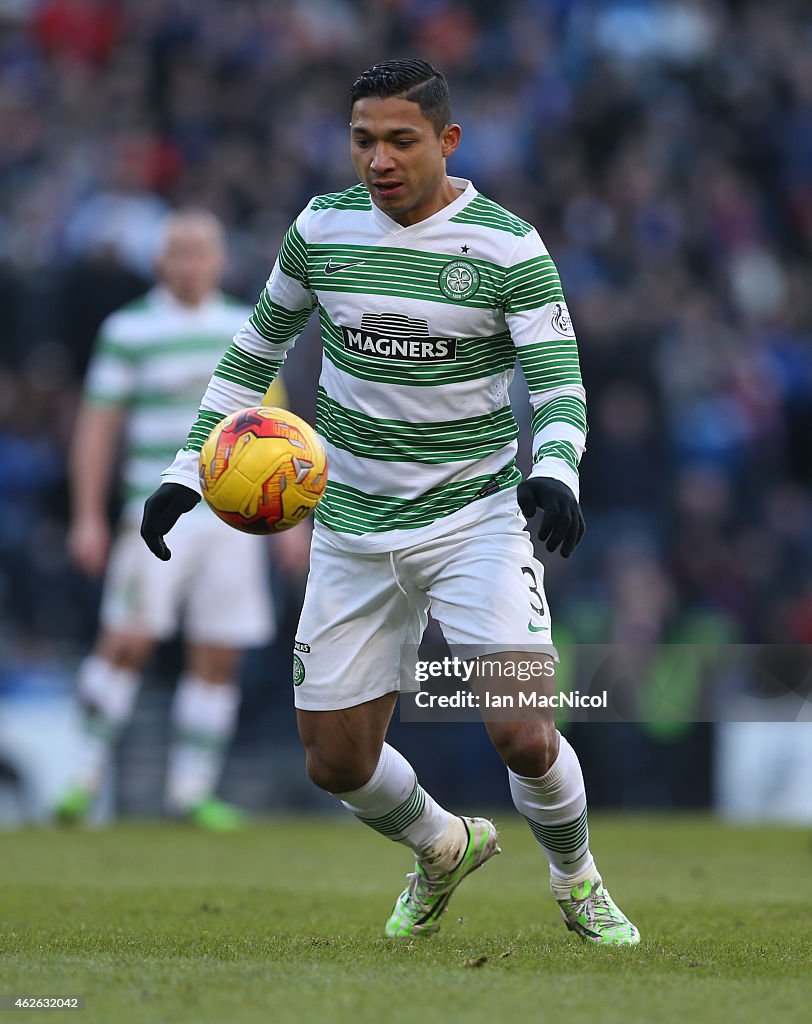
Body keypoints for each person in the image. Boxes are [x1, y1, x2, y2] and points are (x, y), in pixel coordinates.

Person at [141, 61, 639, 942]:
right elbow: (253, 354)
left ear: (447, 142)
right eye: (363, 139)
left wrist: (556, 467)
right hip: (350, 524)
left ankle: (578, 880)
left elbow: (559, 384)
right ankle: (442, 845)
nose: (379, 158)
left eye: (401, 139)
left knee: (524, 731)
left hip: (475, 517)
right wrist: (188, 469)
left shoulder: (506, 245)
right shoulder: (321, 229)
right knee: (334, 762)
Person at [56, 210, 289, 832]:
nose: (189, 262)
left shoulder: (247, 323)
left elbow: (278, 435)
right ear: (161, 261)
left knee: (218, 653)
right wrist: (87, 516)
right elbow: (97, 426)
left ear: (219, 260)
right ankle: (81, 778)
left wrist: (294, 527)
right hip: (153, 507)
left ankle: (191, 793)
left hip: (232, 519)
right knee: (128, 640)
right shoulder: (129, 329)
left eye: (201, 251)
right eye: (178, 251)